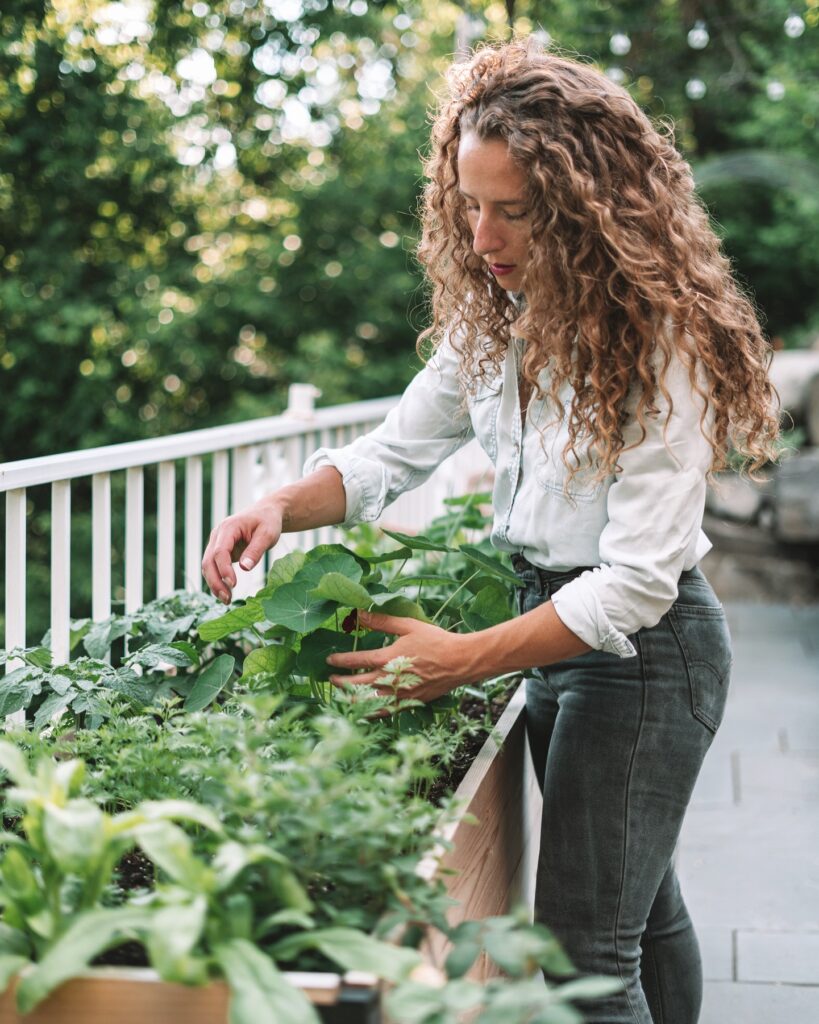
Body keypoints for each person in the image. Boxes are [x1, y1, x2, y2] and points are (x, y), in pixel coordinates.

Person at [202, 40, 778, 1024]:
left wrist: (461, 658)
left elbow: (635, 584)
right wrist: (280, 507)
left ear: (591, 210)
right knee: (644, 906)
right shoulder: (495, 321)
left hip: (643, 657)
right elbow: (394, 452)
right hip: (550, 633)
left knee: (585, 959)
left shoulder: (658, 345)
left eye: (514, 211)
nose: (483, 235)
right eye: (470, 203)